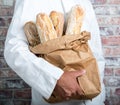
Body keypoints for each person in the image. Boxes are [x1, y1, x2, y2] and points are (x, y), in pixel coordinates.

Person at [4, 0, 105, 105]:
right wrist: (55, 79)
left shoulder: (84, 2)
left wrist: (99, 92)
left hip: (94, 100)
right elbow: (14, 48)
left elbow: (95, 49)